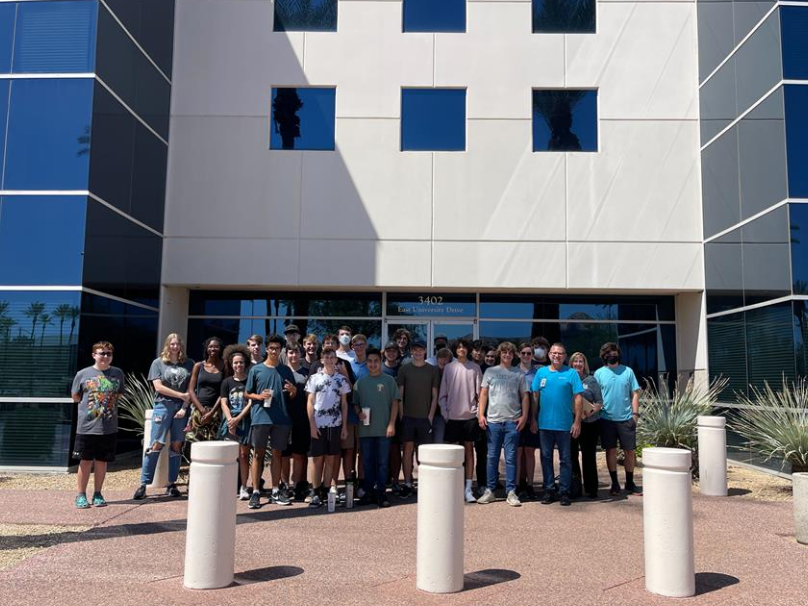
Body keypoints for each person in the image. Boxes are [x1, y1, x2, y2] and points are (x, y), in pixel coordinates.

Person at [134, 333, 195, 500]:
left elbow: (191, 390)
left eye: (177, 344)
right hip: (163, 406)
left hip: (181, 410)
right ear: (167, 345)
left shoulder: (189, 364)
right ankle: (144, 484)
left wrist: (184, 405)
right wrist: (179, 395)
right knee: (156, 443)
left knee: (176, 445)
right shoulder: (158, 363)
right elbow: (158, 387)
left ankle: (172, 483)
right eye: (172, 344)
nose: (175, 347)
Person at [244, 334, 297, 508]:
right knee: (257, 454)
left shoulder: (286, 370)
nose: (274, 351)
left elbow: (293, 395)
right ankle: (256, 492)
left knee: (277, 455)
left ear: (281, 350)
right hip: (260, 417)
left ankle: (275, 490)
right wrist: (259, 396)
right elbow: (247, 393)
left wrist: (293, 390)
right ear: (267, 349)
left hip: (281, 418)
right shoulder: (256, 369)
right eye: (272, 348)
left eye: (277, 348)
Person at [71, 341, 125, 508]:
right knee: (85, 461)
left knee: (102, 461)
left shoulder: (117, 373)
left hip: (108, 427)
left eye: (109, 354)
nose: (105, 356)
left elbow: (120, 395)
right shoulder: (82, 374)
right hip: (87, 426)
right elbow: (75, 396)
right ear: (94, 355)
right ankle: (80, 495)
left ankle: (98, 494)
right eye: (102, 353)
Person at [476, 342, 529, 507]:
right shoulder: (490, 372)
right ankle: (490, 490)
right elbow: (483, 394)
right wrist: (480, 415)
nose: (507, 355)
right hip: (493, 421)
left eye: (510, 353)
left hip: (512, 421)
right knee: (491, 457)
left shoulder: (519, 374)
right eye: (504, 353)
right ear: (500, 354)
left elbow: (525, 397)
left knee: (511, 457)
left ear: (514, 355)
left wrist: (525, 416)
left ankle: (511, 491)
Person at [531, 342, 583, 507]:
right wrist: (533, 418)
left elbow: (578, 399)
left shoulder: (571, 374)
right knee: (545, 458)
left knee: (566, 460)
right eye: (553, 353)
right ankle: (549, 489)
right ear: (549, 355)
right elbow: (535, 396)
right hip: (545, 425)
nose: (556, 356)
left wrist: (577, 422)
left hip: (565, 425)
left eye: (560, 353)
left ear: (565, 356)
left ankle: (564, 491)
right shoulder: (541, 372)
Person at [595, 342, 643, 496]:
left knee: (629, 451)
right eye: (608, 352)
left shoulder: (628, 371)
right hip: (606, 418)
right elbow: (595, 396)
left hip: (626, 418)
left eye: (614, 352)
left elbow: (635, 392)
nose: (612, 354)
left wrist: (635, 415)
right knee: (611, 451)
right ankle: (614, 484)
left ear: (619, 354)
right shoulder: (599, 373)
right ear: (604, 355)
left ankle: (629, 483)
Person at [354, 347, 399, 507]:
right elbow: (355, 404)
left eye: (376, 361)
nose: (373, 364)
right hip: (366, 430)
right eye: (370, 361)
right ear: (366, 363)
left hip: (383, 429)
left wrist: (392, 424)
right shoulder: (360, 383)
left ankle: (381, 494)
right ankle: (368, 493)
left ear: (380, 362)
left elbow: (395, 403)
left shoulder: (388, 380)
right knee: (367, 463)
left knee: (383, 463)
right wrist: (359, 413)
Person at [306, 347, 350, 508]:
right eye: (327, 357)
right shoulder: (314, 378)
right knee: (317, 459)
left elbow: (344, 404)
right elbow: (310, 402)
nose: (330, 360)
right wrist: (311, 424)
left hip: (335, 424)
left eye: (333, 357)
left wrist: (344, 426)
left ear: (336, 360)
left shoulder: (341, 380)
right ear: (322, 359)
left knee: (331, 459)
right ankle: (315, 491)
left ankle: (326, 489)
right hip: (318, 424)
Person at [395, 339, 440, 499]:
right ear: (411, 351)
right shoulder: (404, 369)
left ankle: (424, 483)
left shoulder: (432, 370)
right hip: (408, 417)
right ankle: (407, 483)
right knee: (407, 451)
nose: (418, 352)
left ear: (425, 351)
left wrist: (430, 416)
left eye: (420, 350)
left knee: (424, 453)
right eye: (415, 350)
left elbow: (435, 395)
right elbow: (400, 394)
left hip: (424, 418)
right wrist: (401, 415)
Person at [440, 338, 483, 503]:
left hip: (470, 418)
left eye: (464, 347)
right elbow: (442, 395)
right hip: (453, 418)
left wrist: (478, 413)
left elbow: (480, 395)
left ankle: (467, 488)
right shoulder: (449, 368)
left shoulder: (475, 368)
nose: (461, 349)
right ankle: (453, 487)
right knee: (452, 453)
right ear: (455, 350)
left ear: (468, 350)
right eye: (458, 347)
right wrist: (446, 414)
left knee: (469, 452)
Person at [218, 345, 252, 500]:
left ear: (245, 363)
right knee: (229, 455)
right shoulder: (226, 382)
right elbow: (224, 403)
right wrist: (230, 420)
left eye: (241, 362)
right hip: (230, 422)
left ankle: (244, 487)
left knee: (244, 455)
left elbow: (251, 402)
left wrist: (238, 419)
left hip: (245, 421)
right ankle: (227, 486)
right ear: (231, 365)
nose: (238, 365)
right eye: (235, 363)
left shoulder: (250, 380)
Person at [569, 352, 603, 499]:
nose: (578, 364)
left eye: (580, 361)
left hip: (590, 423)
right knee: (572, 456)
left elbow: (599, 402)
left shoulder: (591, 380)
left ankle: (591, 488)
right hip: (570, 424)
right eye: (575, 361)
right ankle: (575, 487)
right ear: (571, 364)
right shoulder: (567, 379)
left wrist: (590, 411)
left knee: (589, 456)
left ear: (584, 364)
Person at [282, 344, 310, 501]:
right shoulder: (281, 372)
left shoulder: (306, 374)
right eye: (290, 352)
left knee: (299, 455)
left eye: (296, 352)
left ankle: (297, 485)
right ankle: (285, 486)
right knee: (284, 455)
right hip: (284, 420)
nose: (293, 355)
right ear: (286, 354)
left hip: (302, 419)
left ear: (301, 354)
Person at [187, 337, 225, 442]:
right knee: (196, 444)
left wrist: (212, 413)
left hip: (216, 412)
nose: (213, 349)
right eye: (211, 346)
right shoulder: (198, 366)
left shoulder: (224, 367)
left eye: (216, 346)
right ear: (206, 348)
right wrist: (202, 410)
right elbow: (191, 390)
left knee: (213, 445)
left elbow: (223, 392)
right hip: (198, 411)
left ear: (220, 349)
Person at [516, 341, 540, 500]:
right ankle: (518, 484)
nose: (526, 356)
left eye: (528, 353)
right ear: (518, 354)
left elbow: (537, 398)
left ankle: (530, 485)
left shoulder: (537, 373)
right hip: (515, 418)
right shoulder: (512, 371)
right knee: (517, 452)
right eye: (523, 353)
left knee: (530, 452)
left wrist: (534, 419)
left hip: (531, 418)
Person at [431, 347, 453, 443]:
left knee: (443, 442)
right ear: (437, 359)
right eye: (441, 357)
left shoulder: (453, 373)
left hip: (448, 413)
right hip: (431, 412)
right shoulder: (430, 371)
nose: (443, 360)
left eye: (446, 358)